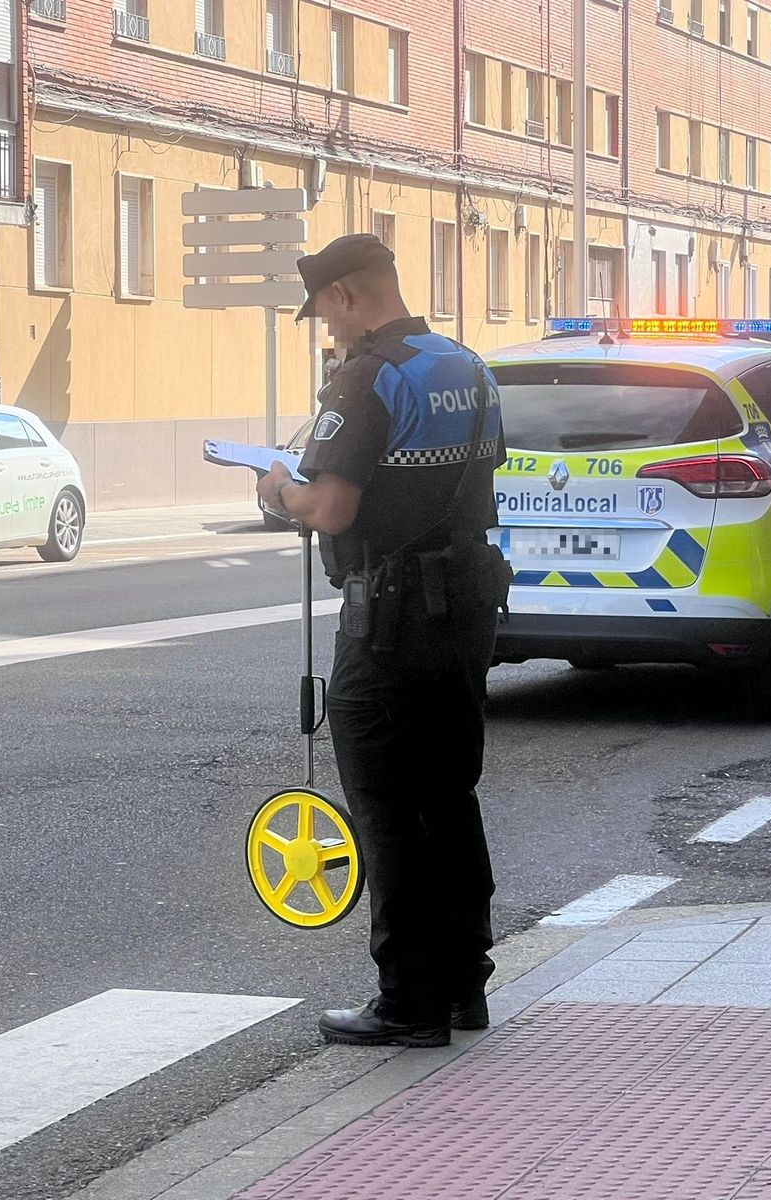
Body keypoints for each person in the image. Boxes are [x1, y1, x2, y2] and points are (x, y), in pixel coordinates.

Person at [258, 233, 510, 1049]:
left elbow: (329, 508)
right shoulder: (468, 368)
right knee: (449, 792)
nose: (327, 332)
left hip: (392, 618)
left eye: (324, 315)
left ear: (343, 297)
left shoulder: (367, 377)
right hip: (467, 607)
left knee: (386, 806)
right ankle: (466, 984)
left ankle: (407, 1002)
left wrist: (279, 487)